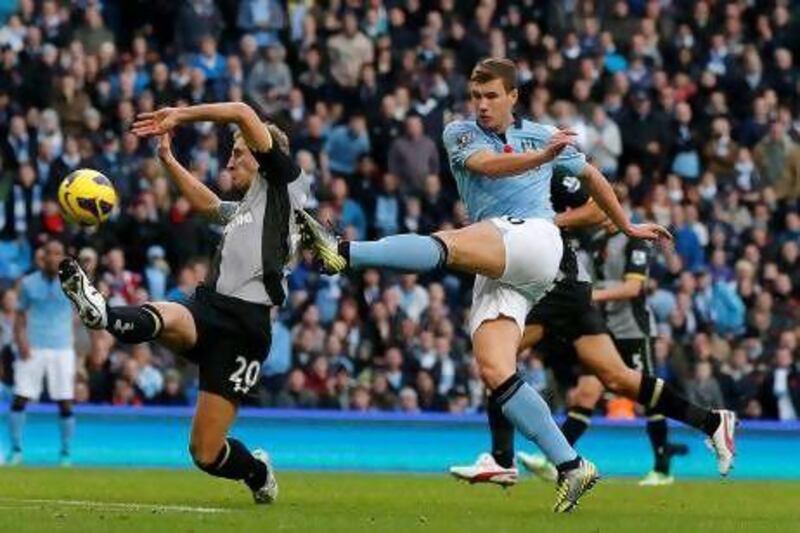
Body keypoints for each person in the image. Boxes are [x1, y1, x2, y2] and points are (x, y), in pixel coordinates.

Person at [298, 58, 671, 512]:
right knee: (496, 371)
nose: (482, 105)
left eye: (492, 96)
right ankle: (571, 465)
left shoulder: (539, 133)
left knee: (447, 245)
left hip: (534, 239)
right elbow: (491, 167)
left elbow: (592, 177)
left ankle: (345, 252)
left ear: (513, 96)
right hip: (500, 258)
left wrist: (627, 226)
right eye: (476, 96)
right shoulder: (460, 133)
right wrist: (545, 157)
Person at [59, 101, 308, 504]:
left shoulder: (282, 186)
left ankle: (258, 471)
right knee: (167, 314)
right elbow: (208, 206)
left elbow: (243, 111)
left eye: (238, 153)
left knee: (205, 453)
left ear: (263, 157)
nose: (229, 163)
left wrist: (180, 115)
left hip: (245, 330)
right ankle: (101, 312)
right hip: (211, 307)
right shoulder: (247, 208)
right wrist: (168, 158)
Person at [448, 178, 737, 487]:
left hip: (561, 288)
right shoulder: (514, 182)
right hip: (566, 289)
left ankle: (502, 459)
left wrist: (546, 223)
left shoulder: (549, 168)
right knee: (616, 379)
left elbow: (598, 210)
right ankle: (712, 421)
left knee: (497, 359)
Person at [8, 239, 77, 466]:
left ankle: (66, 453)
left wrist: (94, 344)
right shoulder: (28, 283)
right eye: (50, 253)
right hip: (33, 347)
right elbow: (18, 317)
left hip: (63, 348)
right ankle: (16, 449)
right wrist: (21, 343)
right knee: (20, 398)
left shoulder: (72, 283)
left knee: (65, 402)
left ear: (63, 257)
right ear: (43, 256)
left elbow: (85, 312)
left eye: (58, 253)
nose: (53, 257)